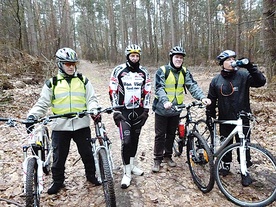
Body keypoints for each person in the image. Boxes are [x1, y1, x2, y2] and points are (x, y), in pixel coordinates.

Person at [26, 47, 101, 195]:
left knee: (87, 153)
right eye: (67, 64)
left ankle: (91, 176)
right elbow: (42, 104)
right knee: (59, 157)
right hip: (60, 126)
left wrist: (94, 109)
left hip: (81, 124)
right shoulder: (52, 83)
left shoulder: (83, 80)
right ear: (60, 64)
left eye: (73, 63)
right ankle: (58, 182)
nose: (71, 66)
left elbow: (92, 99)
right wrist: (32, 116)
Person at [206, 50, 266, 186]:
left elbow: (261, 81)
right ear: (222, 63)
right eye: (228, 59)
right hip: (224, 118)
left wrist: (250, 66)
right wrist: (209, 117)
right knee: (225, 142)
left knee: (243, 144)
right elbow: (211, 100)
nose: (232, 61)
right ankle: (225, 165)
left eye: (233, 58)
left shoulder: (243, 75)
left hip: (242, 117)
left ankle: (244, 170)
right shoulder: (216, 80)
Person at [152, 46, 211, 173]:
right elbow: (159, 88)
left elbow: (192, 86)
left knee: (171, 134)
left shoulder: (185, 72)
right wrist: (165, 101)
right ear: (171, 58)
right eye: (176, 57)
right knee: (160, 135)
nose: (179, 59)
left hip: (176, 109)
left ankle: (167, 156)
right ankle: (157, 159)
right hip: (162, 109)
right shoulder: (162, 70)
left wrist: (202, 98)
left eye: (181, 57)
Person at [109, 44, 151, 189]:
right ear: (127, 56)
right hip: (124, 112)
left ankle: (132, 166)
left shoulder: (144, 71)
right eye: (132, 56)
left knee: (135, 139)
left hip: (138, 111)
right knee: (126, 141)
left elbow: (147, 91)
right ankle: (126, 173)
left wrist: (146, 110)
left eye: (137, 56)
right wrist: (116, 110)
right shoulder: (118, 70)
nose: (135, 58)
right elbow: (113, 90)